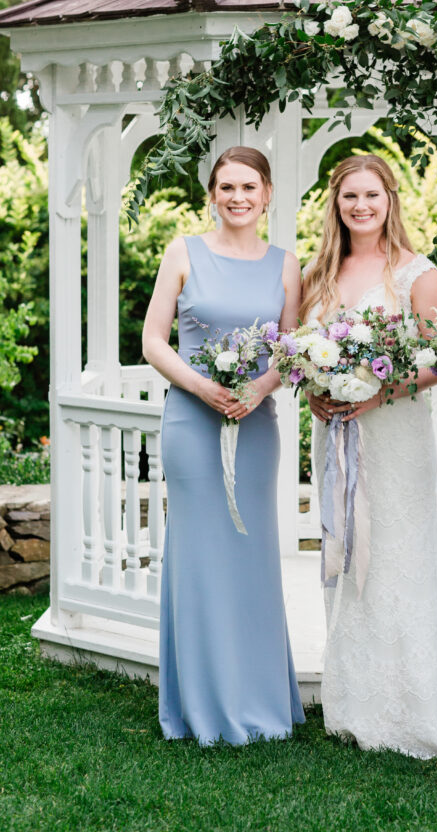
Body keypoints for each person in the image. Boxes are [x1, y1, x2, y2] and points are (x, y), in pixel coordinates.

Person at [302, 153, 437, 759]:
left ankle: (420, 704)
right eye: (349, 198)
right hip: (338, 436)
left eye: (371, 195)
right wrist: (317, 392)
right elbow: (304, 350)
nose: (361, 207)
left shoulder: (417, 273)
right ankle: (356, 702)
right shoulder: (322, 271)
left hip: (396, 437)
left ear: (390, 199)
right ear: (336, 206)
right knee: (346, 551)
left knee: (399, 554)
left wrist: (378, 392)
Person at [142, 145, 304, 745]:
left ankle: (260, 699)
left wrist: (260, 388)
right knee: (200, 556)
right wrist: (203, 388)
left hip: (255, 424)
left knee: (250, 555)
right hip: (191, 419)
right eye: (226, 187)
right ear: (212, 195)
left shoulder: (286, 264)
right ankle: (200, 704)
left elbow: (291, 351)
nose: (237, 198)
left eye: (249, 187)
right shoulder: (183, 251)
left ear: (267, 195)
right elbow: (154, 341)